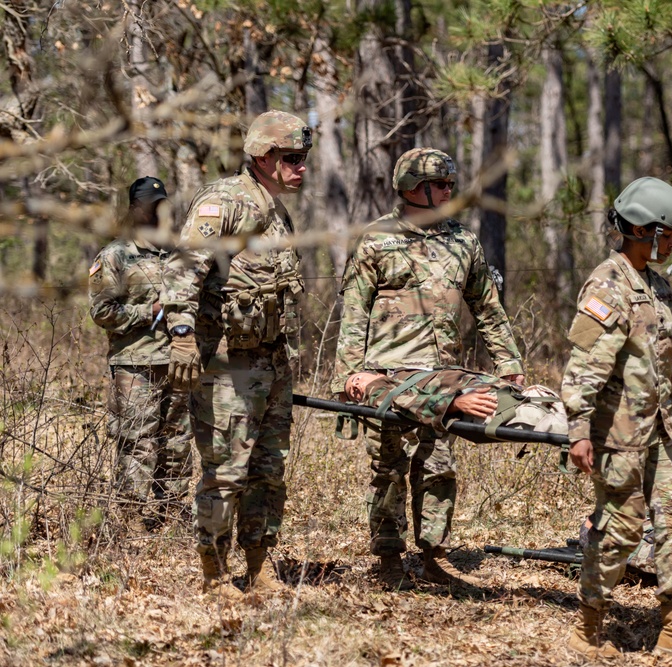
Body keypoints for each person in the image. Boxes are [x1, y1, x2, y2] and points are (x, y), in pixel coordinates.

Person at [332, 148, 525, 592]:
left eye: (450, 184)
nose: (448, 192)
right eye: (440, 184)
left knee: (439, 464)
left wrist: (510, 365)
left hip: (442, 377)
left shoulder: (462, 241)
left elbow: (488, 310)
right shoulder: (377, 239)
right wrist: (348, 374)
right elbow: (354, 310)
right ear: (413, 188)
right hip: (386, 377)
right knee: (389, 469)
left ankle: (434, 555)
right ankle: (389, 560)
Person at [561, 177, 672, 660]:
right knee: (622, 528)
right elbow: (585, 365)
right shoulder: (608, 284)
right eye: (666, 234)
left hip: (661, 434)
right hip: (619, 435)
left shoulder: (658, 286)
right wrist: (579, 430)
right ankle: (587, 629)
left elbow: (667, 370)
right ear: (640, 230)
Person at [161, 110, 310, 600]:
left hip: (272, 364)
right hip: (229, 365)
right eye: (292, 158)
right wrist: (182, 335)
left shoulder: (275, 208)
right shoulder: (224, 201)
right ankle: (214, 573)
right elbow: (183, 269)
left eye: (304, 158)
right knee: (226, 470)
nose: (301, 167)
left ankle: (261, 567)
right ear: (263, 156)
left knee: (268, 470)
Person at [89, 177, 193, 530]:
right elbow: (101, 312)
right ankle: (130, 519)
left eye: (161, 203)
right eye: (150, 203)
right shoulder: (116, 254)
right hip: (134, 365)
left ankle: (173, 515)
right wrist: (146, 313)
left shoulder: (176, 252)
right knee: (138, 443)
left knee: (177, 442)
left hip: (178, 361)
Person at [344, 368, 566, 436]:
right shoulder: (379, 390)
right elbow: (404, 402)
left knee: (586, 419)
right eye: (353, 393)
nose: (355, 388)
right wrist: (453, 404)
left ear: (368, 371)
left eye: (356, 379)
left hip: (515, 395)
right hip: (492, 408)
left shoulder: (401, 375)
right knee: (577, 432)